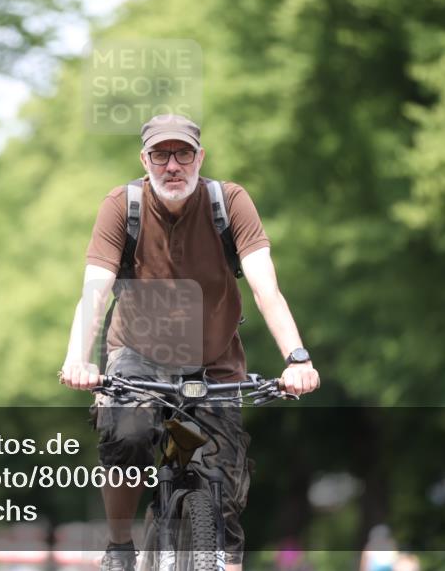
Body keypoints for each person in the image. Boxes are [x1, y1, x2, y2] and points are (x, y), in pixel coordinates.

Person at [60, 115, 321, 571]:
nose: (173, 165)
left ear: (200, 157)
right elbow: (95, 293)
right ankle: (120, 545)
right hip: (138, 356)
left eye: (183, 154)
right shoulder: (122, 205)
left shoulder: (230, 201)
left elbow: (265, 288)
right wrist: (77, 360)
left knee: (223, 484)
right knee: (128, 435)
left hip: (214, 362)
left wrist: (297, 358)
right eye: (161, 155)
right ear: (145, 160)